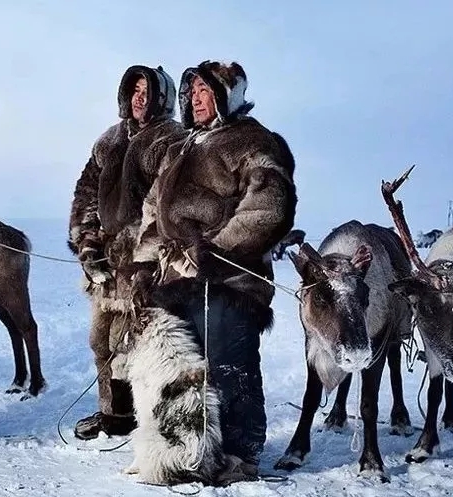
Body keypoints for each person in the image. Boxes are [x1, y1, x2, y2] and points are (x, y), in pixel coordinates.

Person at [127, 60, 297, 483]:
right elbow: (153, 211)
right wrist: (146, 264)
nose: (196, 99)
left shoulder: (254, 140)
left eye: (206, 91)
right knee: (186, 370)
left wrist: (216, 253)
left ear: (227, 95)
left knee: (228, 364)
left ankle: (241, 454)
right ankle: (192, 448)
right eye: (192, 92)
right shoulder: (180, 147)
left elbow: (269, 205)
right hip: (175, 279)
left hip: (229, 280)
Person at [67, 65, 186, 441]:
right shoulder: (109, 140)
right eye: (134, 89)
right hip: (104, 261)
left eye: (146, 90)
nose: (139, 96)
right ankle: (111, 411)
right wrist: (87, 241)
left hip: (143, 262)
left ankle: (135, 415)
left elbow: (163, 202)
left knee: (132, 341)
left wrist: (145, 258)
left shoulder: (171, 139)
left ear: (161, 96)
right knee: (100, 340)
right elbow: (86, 191)